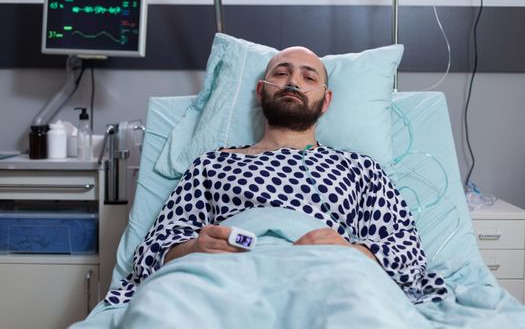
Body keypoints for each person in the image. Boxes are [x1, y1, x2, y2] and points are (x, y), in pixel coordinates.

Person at [105, 46, 448, 306]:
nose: (294, 82)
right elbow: (148, 253)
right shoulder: (211, 165)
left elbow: (408, 253)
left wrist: (352, 251)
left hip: (328, 285)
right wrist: (195, 247)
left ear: (325, 101)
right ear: (260, 91)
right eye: (282, 73)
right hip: (228, 286)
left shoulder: (360, 168)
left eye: (309, 77)